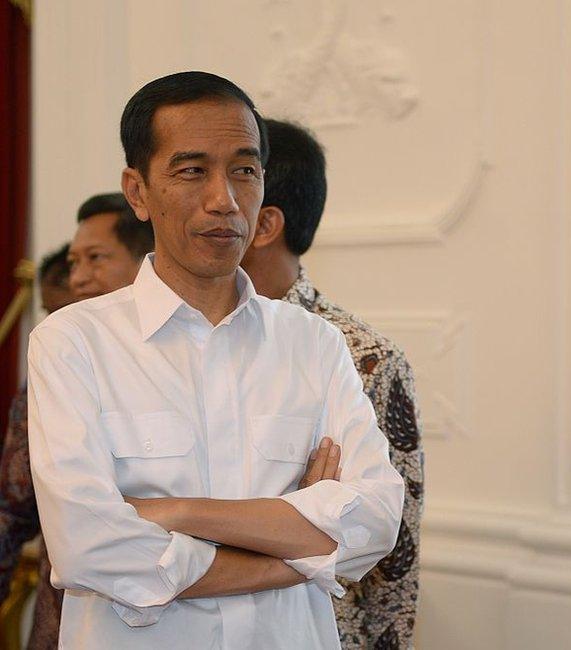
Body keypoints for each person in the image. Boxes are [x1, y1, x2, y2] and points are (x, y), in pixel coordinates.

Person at [26, 72, 403, 649]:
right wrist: (298, 548)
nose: (223, 200)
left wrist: (173, 512)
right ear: (138, 191)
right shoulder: (74, 341)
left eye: (245, 171)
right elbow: (88, 546)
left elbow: (375, 519)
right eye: (192, 170)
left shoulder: (314, 344)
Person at [240, 118, 422, 649]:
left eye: (239, 175)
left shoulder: (365, 357)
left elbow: (394, 566)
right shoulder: (179, 338)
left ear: (264, 223)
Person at [0, 194, 154, 649]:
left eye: (95, 258)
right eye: (73, 261)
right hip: (69, 620)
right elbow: (12, 508)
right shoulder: (56, 366)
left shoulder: (201, 355)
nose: (79, 277)